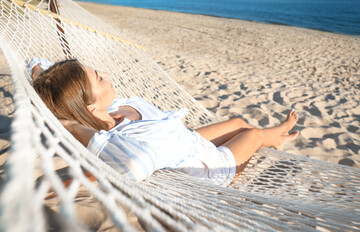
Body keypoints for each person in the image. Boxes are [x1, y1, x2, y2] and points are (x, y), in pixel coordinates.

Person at [32, 59, 299, 186]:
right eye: (99, 78)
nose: (105, 72)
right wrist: (66, 124)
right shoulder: (121, 140)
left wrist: (37, 70)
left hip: (189, 140)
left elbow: (49, 82)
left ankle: (274, 139)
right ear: (90, 107)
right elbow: (134, 164)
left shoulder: (104, 107)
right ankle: (275, 136)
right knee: (252, 135)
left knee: (240, 122)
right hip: (207, 167)